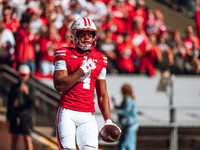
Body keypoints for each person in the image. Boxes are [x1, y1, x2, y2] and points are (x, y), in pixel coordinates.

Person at [53, 17, 120, 150]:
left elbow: (102, 95)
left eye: (90, 35)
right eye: (82, 34)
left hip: (88, 114)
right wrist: (81, 71)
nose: (87, 38)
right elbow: (59, 86)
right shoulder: (63, 53)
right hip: (68, 111)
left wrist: (108, 119)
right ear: (74, 35)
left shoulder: (101, 59)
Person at [6, 64, 36, 150]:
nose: (22, 77)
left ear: (28, 75)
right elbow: (10, 102)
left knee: (27, 138)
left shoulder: (31, 87)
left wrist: (27, 93)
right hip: (15, 115)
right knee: (14, 137)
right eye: (21, 74)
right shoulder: (14, 87)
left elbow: (33, 101)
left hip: (26, 116)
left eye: (24, 75)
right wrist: (8, 116)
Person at [112, 83, 139, 150]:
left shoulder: (128, 100)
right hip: (128, 124)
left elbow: (127, 111)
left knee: (128, 144)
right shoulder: (127, 99)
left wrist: (117, 111)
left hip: (130, 125)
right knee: (123, 143)